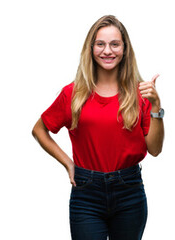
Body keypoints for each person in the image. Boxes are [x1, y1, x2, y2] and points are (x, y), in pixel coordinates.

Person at [31, 15, 164, 240]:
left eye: (115, 44)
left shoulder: (139, 94)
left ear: (125, 49)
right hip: (86, 193)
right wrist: (68, 164)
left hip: (129, 191)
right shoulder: (72, 94)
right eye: (100, 44)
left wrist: (156, 107)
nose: (107, 51)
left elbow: (155, 149)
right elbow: (39, 129)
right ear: (91, 48)